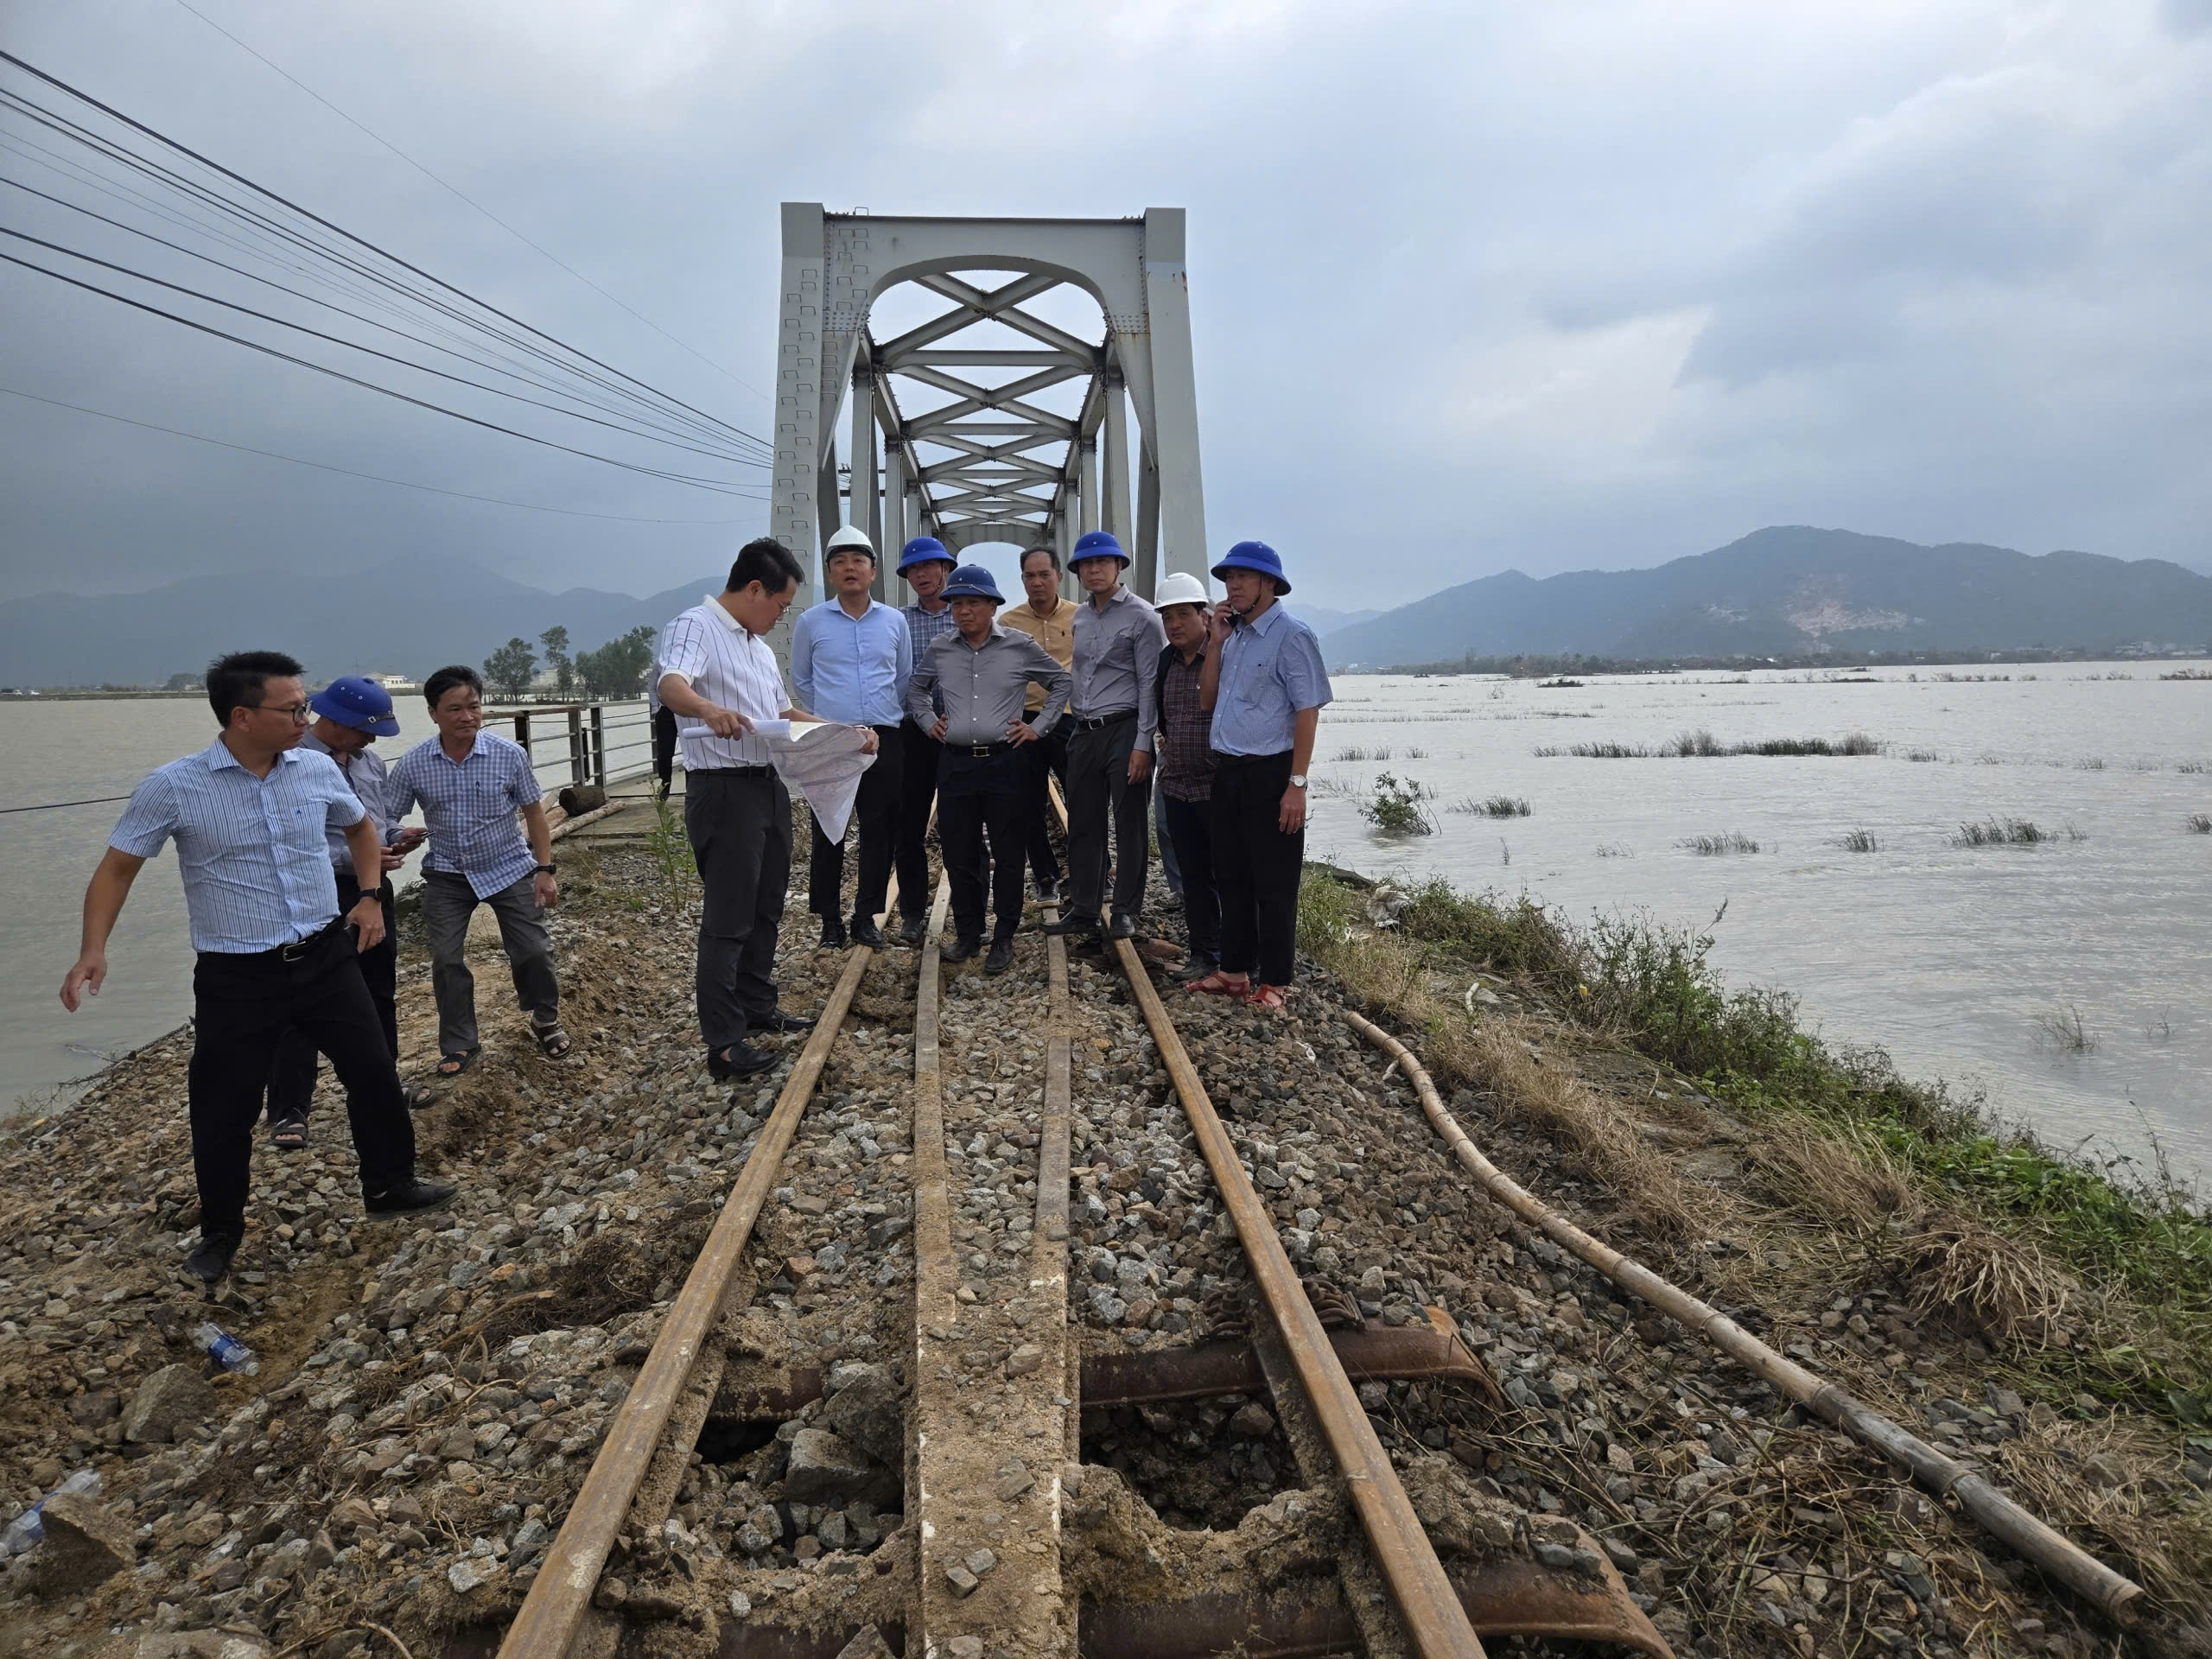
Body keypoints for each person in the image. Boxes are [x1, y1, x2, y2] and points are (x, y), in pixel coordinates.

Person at [60, 651, 456, 1287]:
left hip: (326, 955)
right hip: (237, 976)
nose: (306, 717)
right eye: (293, 708)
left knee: (375, 1072)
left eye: (306, 704)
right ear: (242, 715)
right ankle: (220, 1234)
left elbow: (360, 829)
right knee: (224, 1110)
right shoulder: (175, 786)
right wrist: (92, 949)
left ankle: (389, 1185)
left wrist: (368, 898)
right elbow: (116, 869)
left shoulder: (316, 771)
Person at [660, 538, 878, 1079]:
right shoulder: (696, 626)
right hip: (722, 788)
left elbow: (781, 711)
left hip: (766, 785)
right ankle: (725, 1042)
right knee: (728, 918)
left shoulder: (757, 647)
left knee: (766, 905)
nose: (781, 615)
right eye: (780, 604)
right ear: (754, 588)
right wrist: (708, 709)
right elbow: (672, 685)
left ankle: (757, 1006)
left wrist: (843, 733)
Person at [264, 676, 433, 1150]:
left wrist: (396, 836)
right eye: (366, 728)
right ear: (334, 720)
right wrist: (363, 855)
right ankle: (289, 1109)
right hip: (313, 897)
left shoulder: (369, 763)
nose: (372, 738)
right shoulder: (290, 765)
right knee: (300, 1000)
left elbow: (373, 823)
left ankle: (382, 1086)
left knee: (378, 989)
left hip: (371, 891)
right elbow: (293, 842)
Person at [388, 665, 569, 1075]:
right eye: (455, 709)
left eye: (474, 706)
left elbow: (535, 815)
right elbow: (383, 815)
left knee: (533, 951)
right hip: (447, 874)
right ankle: (460, 1044)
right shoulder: (415, 763)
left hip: (509, 868)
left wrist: (545, 869)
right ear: (433, 713)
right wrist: (400, 833)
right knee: (446, 960)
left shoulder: (509, 755)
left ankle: (545, 1018)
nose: (467, 717)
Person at [904, 564, 1071, 975]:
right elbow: (916, 689)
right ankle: (968, 932)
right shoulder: (941, 648)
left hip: (1006, 762)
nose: (963, 611)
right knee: (959, 854)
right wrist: (929, 722)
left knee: (1010, 854)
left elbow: (1061, 683)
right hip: (957, 764)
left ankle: (1004, 938)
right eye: (957, 603)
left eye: (973, 603)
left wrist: (1038, 727)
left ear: (993, 605)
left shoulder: (1019, 645)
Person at [1192, 542, 1332, 1010]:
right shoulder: (1233, 638)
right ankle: (1234, 971)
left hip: (1272, 773)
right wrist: (1214, 641)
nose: (1233, 585)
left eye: (1245, 577)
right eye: (1229, 577)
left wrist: (1297, 785)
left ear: (1269, 584)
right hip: (1228, 771)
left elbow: (1307, 710)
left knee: (1274, 882)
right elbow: (1208, 701)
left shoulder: (1292, 635)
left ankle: (1276, 981)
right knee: (1230, 876)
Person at [1042, 530, 1167, 942]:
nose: (1094, 570)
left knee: (1129, 823)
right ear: (1077, 572)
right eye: (1086, 565)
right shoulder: (1080, 616)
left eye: (1103, 563)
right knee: (1084, 822)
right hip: (1084, 729)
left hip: (1126, 727)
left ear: (1118, 567)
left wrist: (1142, 745)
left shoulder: (1143, 617)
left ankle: (1126, 911)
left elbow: (1150, 684)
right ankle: (1083, 907)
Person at [790, 524, 910, 949]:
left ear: (873, 571)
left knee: (880, 831)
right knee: (829, 829)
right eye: (839, 562)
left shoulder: (894, 622)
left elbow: (902, 678)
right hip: (831, 740)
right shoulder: (811, 622)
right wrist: (835, 721)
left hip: (884, 738)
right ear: (829, 572)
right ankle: (829, 922)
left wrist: (873, 721)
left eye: (858, 561)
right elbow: (802, 679)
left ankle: (865, 918)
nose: (849, 569)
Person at [1148, 574, 1223, 984]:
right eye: (1167, 616)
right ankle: (1204, 953)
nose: (1174, 624)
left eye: (1183, 614)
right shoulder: (1166, 662)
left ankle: (1241, 954)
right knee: (1193, 875)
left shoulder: (1225, 655)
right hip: (1177, 783)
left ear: (1204, 615)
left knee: (1229, 872)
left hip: (1219, 786)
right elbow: (1163, 717)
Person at [998, 543, 1078, 902]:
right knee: (1026, 803)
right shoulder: (1008, 623)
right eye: (1030, 576)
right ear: (1022, 580)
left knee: (1082, 799)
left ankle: (1092, 870)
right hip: (1024, 721)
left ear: (1059, 576)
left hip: (1068, 719)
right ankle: (1045, 876)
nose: (1037, 582)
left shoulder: (1082, 617)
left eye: (1045, 574)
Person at [893, 536, 958, 945]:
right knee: (909, 828)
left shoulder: (969, 613)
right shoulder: (898, 620)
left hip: (958, 734)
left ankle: (968, 913)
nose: (921, 574)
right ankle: (913, 913)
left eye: (929, 567)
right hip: (912, 734)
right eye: (913, 570)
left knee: (961, 826)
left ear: (945, 570)